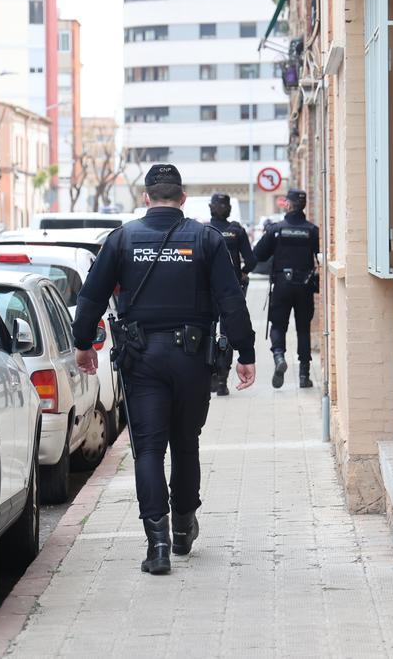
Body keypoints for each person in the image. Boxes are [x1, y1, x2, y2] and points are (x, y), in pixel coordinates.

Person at [71, 164, 256, 575]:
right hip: (191, 359)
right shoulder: (205, 239)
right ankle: (185, 527)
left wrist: (84, 345)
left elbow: (90, 299)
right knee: (186, 444)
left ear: (146, 197)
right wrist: (246, 353)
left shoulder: (122, 240)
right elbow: (231, 301)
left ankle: (158, 546)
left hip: (142, 361)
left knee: (149, 450)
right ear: (183, 198)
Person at [253, 188, 320, 389]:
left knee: (278, 326)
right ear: (304, 206)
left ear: (288, 204)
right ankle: (304, 375)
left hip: (282, 284)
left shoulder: (276, 230)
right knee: (303, 329)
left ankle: (279, 356)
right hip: (305, 285)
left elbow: (258, 255)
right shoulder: (312, 230)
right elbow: (320, 255)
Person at [206, 193, 256, 396]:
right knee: (227, 334)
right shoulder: (236, 231)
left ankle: (211, 376)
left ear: (211, 207)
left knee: (208, 333)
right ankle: (222, 382)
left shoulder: (203, 231)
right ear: (229, 209)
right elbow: (252, 260)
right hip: (230, 291)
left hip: (207, 292)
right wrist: (242, 274)